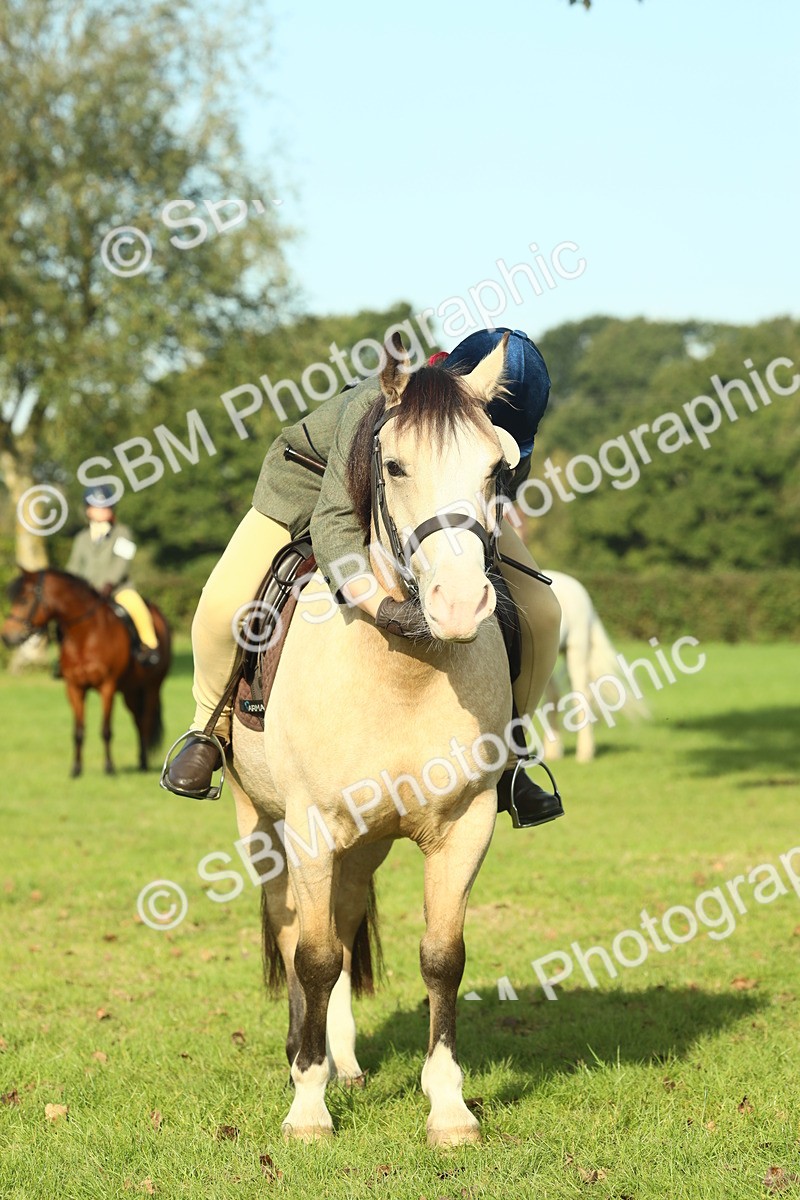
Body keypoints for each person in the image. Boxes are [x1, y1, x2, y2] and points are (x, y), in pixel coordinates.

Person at [164, 327, 564, 828]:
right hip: (311, 485)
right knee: (223, 604)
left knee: (544, 612)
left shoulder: (498, 439)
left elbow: (489, 502)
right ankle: (208, 727)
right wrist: (384, 608)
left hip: (430, 504)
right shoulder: (374, 406)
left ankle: (510, 753)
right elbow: (334, 523)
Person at [66, 484, 161, 667]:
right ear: (88, 510)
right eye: (97, 507)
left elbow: (122, 563)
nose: (102, 511)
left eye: (106, 507)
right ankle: (64, 653)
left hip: (117, 589)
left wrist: (108, 583)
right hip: (87, 593)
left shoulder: (123, 532)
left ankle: (150, 646)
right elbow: (73, 567)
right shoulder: (81, 538)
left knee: (136, 605)